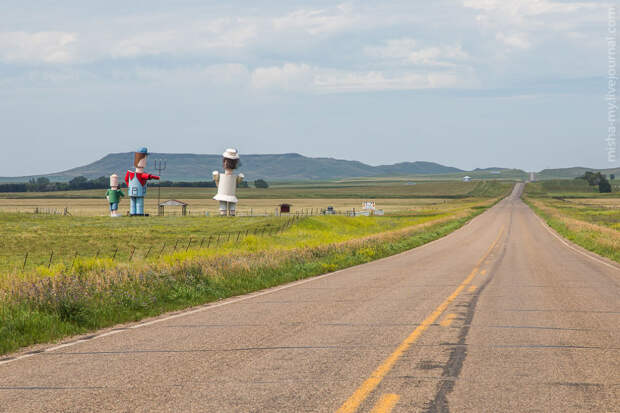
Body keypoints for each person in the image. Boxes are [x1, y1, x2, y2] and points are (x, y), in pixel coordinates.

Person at [124, 147, 159, 216]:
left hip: (132, 190)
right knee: (139, 202)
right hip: (139, 191)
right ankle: (139, 213)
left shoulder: (130, 173)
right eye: (145, 158)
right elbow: (148, 176)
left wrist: (129, 186)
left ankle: (133, 213)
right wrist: (157, 177)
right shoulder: (140, 175)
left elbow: (126, 179)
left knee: (133, 202)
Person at [212, 148, 244, 216]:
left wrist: (216, 179)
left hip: (228, 193)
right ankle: (229, 213)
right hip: (229, 194)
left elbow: (217, 182)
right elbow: (236, 183)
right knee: (227, 204)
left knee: (225, 204)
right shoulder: (234, 176)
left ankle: (226, 213)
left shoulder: (233, 176)